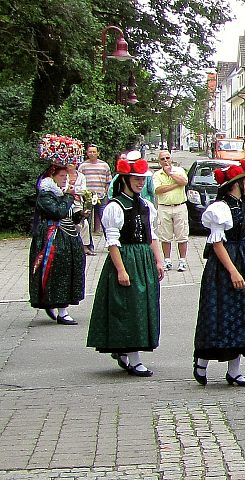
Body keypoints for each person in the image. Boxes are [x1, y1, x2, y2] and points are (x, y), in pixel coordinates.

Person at [192, 159, 245, 387]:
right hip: (225, 265)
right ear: (237, 183)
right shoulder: (220, 208)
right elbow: (217, 244)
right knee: (220, 313)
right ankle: (202, 360)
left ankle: (234, 371)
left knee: (243, 315)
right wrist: (234, 272)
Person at [86, 158, 164, 377]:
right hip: (126, 258)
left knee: (142, 306)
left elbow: (152, 236)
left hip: (144, 259)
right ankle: (133, 357)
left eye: (142, 179)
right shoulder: (115, 206)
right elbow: (112, 242)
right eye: (136, 179)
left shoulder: (145, 205)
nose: (140, 182)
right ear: (125, 179)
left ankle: (126, 352)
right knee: (129, 308)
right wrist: (121, 269)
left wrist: (158, 260)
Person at [29, 162, 86, 325]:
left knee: (68, 270)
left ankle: (55, 303)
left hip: (67, 237)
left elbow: (66, 215)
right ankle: (61, 310)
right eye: (61, 176)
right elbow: (57, 212)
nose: (64, 179)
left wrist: (80, 215)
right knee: (57, 270)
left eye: (66, 176)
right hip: (51, 238)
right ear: (51, 177)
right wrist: (69, 196)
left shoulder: (61, 193)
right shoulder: (46, 194)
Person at [153, 150, 190, 272]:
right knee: (165, 236)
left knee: (182, 235)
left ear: (171, 159)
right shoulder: (157, 175)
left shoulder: (179, 171)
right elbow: (158, 190)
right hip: (164, 207)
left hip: (180, 206)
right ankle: (167, 260)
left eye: (167, 158)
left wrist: (171, 175)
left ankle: (182, 260)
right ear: (159, 161)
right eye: (162, 159)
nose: (165, 161)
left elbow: (184, 182)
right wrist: (175, 185)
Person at [78, 144, 112, 236]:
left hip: (101, 197)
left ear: (98, 153)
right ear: (87, 153)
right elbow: (79, 181)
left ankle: (110, 244)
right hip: (87, 198)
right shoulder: (83, 166)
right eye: (90, 152)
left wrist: (105, 191)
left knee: (105, 220)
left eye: (94, 152)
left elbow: (108, 181)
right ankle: (88, 246)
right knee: (86, 222)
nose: (92, 154)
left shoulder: (104, 165)